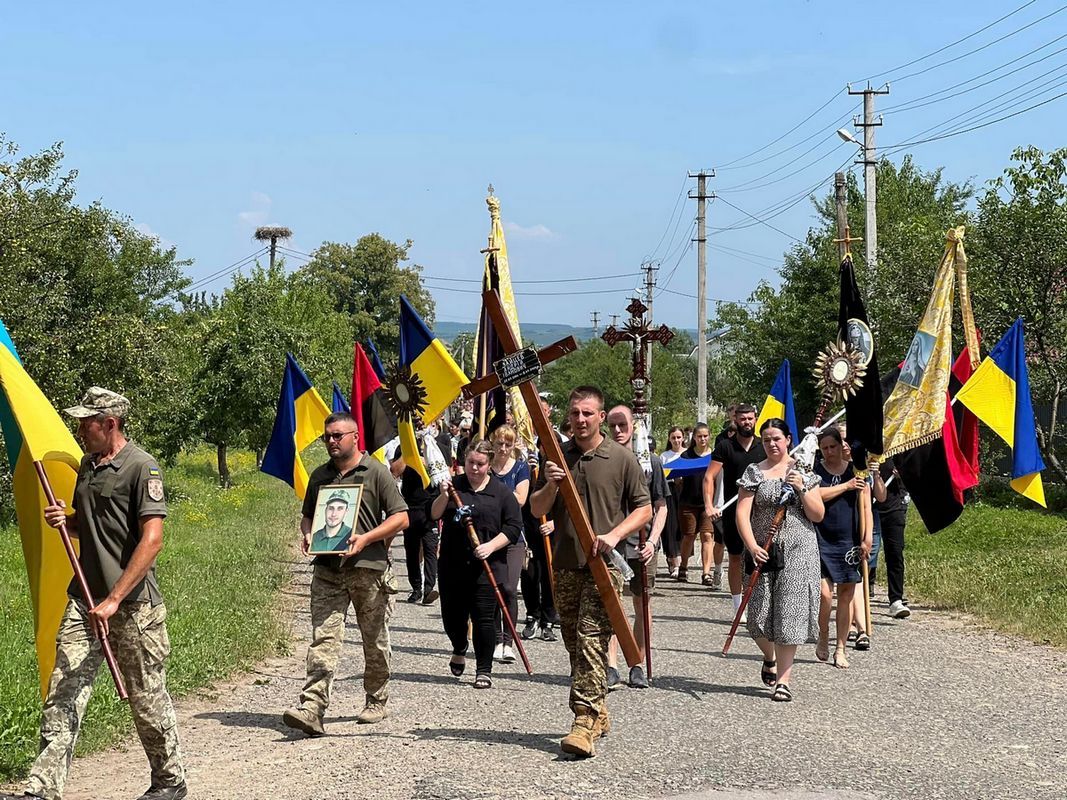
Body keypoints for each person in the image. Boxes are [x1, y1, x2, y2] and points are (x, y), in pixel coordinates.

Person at [21, 387, 187, 800]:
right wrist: (67, 520)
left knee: (146, 698)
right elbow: (92, 525)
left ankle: (169, 780)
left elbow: (152, 540)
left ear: (109, 423)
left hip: (132, 606)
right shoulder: (87, 465)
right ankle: (43, 787)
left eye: (86, 423)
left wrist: (114, 598)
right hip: (84, 600)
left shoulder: (142, 468)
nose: (79, 430)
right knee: (64, 690)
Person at [530, 386, 651, 759]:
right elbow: (536, 509)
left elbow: (644, 508)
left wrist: (614, 535)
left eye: (588, 413)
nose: (580, 420)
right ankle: (598, 710)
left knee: (591, 641)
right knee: (574, 644)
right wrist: (552, 482)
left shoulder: (621, 458)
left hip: (604, 567)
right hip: (565, 564)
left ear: (601, 417)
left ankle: (582, 722)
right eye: (575, 413)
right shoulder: (557, 456)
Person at [283, 412, 408, 737]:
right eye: (327, 436)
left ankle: (376, 698)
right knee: (323, 639)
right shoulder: (320, 476)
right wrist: (309, 534)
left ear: (355, 437)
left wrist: (366, 538)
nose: (331, 442)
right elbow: (308, 517)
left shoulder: (376, 472)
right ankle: (312, 708)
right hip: (327, 571)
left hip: (368, 570)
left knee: (374, 641)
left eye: (338, 435)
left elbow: (401, 518)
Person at [736, 418, 825, 702]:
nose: (772, 444)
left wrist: (801, 488)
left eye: (777, 438)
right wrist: (751, 545)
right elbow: (742, 512)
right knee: (758, 618)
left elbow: (817, 514)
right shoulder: (754, 472)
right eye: (766, 440)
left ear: (788, 439)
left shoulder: (804, 470)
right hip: (762, 551)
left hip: (799, 553)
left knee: (790, 613)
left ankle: (784, 681)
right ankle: (769, 656)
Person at [431, 440, 523, 689]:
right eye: (470, 462)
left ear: (489, 464)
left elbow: (513, 527)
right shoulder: (454, 487)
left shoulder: (501, 492)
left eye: (480, 464)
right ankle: (459, 646)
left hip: (487, 566)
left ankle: (484, 669)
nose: (473, 468)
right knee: (453, 617)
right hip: (452, 564)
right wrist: (442, 495)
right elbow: (435, 514)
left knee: (484, 619)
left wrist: (491, 546)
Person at [604, 405, 668, 690]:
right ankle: (611, 664)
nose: (618, 431)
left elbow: (660, 506)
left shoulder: (651, 461)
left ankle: (637, 662)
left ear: (634, 426)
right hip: (613, 543)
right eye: (613, 425)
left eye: (623, 425)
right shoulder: (604, 457)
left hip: (643, 543)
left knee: (642, 605)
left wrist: (653, 541)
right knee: (611, 605)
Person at [813, 426, 872, 669]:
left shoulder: (857, 472)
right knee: (825, 595)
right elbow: (815, 496)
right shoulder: (816, 472)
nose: (829, 452)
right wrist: (845, 487)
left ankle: (840, 647)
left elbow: (866, 505)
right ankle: (823, 632)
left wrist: (867, 537)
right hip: (821, 538)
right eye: (824, 448)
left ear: (842, 446)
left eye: (833, 447)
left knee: (846, 596)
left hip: (849, 540)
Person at [704, 404, 766, 617]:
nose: (746, 422)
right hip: (734, 510)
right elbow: (709, 477)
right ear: (735, 421)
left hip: (762, 511)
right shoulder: (725, 446)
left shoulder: (763, 446)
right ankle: (738, 606)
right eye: (742, 419)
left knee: (761, 556)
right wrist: (709, 505)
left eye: (750, 418)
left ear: (755, 419)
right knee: (736, 557)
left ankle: (759, 603)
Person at [520, 397, 562, 642]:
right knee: (530, 574)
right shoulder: (534, 466)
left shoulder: (563, 469)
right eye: (545, 445)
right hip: (531, 526)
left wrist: (554, 523)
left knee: (549, 574)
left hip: (553, 530)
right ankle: (532, 614)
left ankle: (548, 615)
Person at [488, 424, 530, 664]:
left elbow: (521, 500)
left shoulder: (520, 468)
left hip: (514, 536)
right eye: (499, 443)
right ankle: (495, 639)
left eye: (508, 444)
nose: (503, 448)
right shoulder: (487, 468)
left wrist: (495, 491)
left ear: (514, 445)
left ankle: (508, 640)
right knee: (493, 589)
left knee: (509, 588)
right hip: (491, 536)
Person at [391, 450, 439, 605]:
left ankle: (428, 589)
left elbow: (443, 472)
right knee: (412, 552)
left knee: (430, 549)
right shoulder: (403, 447)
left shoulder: (433, 447)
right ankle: (416, 588)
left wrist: (426, 460)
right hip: (410, 508)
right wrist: (408, 454)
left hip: (430, 508)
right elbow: (394, 471)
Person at [676, 422, 714, 583]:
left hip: (708, 504)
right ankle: (683, 567)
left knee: (707, 535)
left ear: (709, 436)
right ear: (694, 438)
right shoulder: (686, 456)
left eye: (705, 436)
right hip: (688, 502)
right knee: (689, 536)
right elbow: (677, 477)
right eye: (699, 436)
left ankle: (706, 573)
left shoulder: (715, 456)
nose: (702, 439)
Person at [874, 457, 911, 619]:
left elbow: (914, 473)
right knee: (866, 553)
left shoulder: (898, 447)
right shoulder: (864, 445)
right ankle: (863, 589)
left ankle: (896, 599)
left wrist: (903, 474)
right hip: (868, 505)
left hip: (894, 506)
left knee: (895, 553)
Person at [660, 426, 686, 578]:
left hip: (685, 492)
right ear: (669, 439)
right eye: (673, 438)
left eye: (678, 437)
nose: (676, 440)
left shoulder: (688, 454)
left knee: (683, 529)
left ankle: (682, 562)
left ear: (683, 438)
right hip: (670, 492)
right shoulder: (664, 456)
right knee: (671, 527)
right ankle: (673, 562)